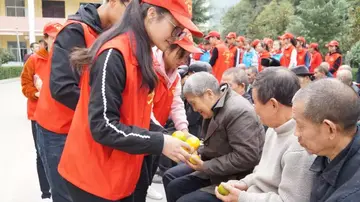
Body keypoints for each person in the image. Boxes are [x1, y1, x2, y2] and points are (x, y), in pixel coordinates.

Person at [57, 0, 203, 201]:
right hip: (93, 177)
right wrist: (160, 142)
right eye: (176, 28)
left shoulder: (142, 56)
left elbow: (139, 114)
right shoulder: (114, 54)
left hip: (118, 173)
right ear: (151, 14)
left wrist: (169, 138)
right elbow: (103, 126)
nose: (177, 37)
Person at [34, 2, 131, 202]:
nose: (130, 21)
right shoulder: (75, 31)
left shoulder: (107, 34)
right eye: (128, 12)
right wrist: (103, 108)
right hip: (58, 129)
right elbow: (62, 87)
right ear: (113, 2)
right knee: (66, 194)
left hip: (84, 127)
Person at [215, 67, 315, 202]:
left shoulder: (300, 146)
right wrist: (244, 183)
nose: (254, 108)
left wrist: (242, 198)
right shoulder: (274, 129)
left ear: (273, 105)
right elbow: (262, 172)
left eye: (255, 103)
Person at [164, 72, 265, 202]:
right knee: (173, 185)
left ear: (209, 94)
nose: (194, 109)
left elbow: (247, 156)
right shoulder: (215, 105)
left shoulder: (238, 111)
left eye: (194, 103)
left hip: (236, 178)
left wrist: (205, 166)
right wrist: (197, 152)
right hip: (216, 169)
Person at [147, 31, 202, 200]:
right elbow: (145, 107)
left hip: (156, 130)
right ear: (168, 48)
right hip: (144, 128)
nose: (184, 61)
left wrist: (183, 130)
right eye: (181, 54)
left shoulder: (175, 76)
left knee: (150, 163)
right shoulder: (150, 69)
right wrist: (161, 132)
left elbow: (176, 104)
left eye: (187, 57)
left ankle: (146, 186)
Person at [292, 79, 360, 201]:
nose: (295, 133)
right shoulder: (334, 152)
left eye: (300, 125)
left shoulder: (350, 195)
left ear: (330, 129)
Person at [20, 22, 61, 200]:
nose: (56, 41)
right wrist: (39, 93)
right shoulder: (34, 60)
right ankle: (46, 192)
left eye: (58, 37)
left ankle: (59, 189)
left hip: (59, 116)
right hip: (38, 115)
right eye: (52, 37)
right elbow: (25, 85)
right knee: (41, 153)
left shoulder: (63, 59)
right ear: (45, 39)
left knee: (59, 154)